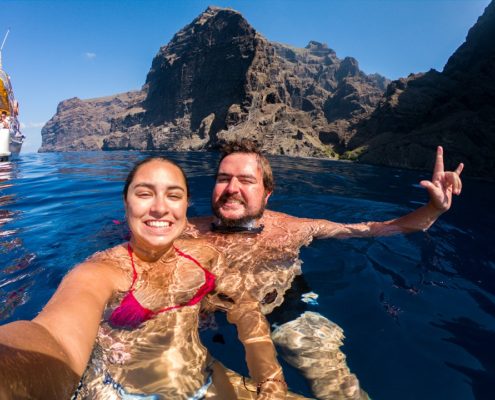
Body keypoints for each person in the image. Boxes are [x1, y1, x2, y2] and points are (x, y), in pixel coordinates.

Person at [186, 139, 463, 400]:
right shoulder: (183, 230)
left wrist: (433, 209)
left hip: (286, 310)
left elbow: (374, 230)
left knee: (336, 382)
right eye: (223, 179)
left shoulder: (293, 228)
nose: (232, 188)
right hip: (204, 316)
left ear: (267, 193)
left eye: (246, 180)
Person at [0, 156, 294, 399]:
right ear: (126, 202)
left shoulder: (205, 256)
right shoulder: (100, 272)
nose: (160, 208)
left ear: (186, 205)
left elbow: (244, 308)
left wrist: (270, 381)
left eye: (173, 195)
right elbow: (54, 339)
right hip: (120, 392)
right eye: (144, 193)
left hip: (206, 379)